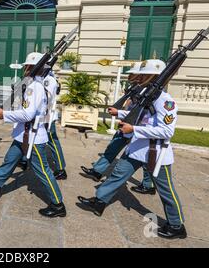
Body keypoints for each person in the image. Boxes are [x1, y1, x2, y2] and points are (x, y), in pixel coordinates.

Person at [78, 59, 187, 240]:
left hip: (156, 152)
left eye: (144, 75)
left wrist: (134, 129)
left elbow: (167, 131)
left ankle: (177, 225)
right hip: (137, 149)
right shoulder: (147, 95)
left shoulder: (166, 101)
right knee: (117, 174)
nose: (140, 77)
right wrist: (119, 113)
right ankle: (99, 201)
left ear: (153, 76)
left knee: (166, 190)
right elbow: (138, 116)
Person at [0, 52, 66, 218]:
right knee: (9, 160)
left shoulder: (35, 87)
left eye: (27, 66)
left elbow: (28, 114)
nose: (25, 68)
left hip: (33, 137)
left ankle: (58, 204)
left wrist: (5, 115)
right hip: (23, 134)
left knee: (43, 171)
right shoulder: (35, 84)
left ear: (32, 67)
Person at [80, 62, 156, 195]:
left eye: (132, 73)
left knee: (145, 159)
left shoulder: (146, 90)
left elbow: (139, 111)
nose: (129, 76)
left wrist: (123, 114)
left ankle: (148, 184)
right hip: (128, 124)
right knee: (113, 148)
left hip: (136, 128)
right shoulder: (136, 87)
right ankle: (98, 171)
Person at [43, 70, 67, 180]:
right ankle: (23, 160)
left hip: (47, 117)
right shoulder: (46, 78)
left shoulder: (48, 79)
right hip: (43, 117)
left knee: (52, 141)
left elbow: (45, 99)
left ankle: (61, 169)